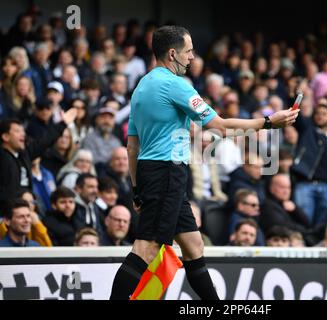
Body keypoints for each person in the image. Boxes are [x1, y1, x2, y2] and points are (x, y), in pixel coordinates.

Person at [110, 26, 298, 301]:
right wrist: (269, 122)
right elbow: (220, 127)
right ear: (172, 53)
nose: (192, 57)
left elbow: (132, 146)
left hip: (155, 173)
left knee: (193, 244)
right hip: (167, 173)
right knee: (146, 248)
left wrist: (137, 188)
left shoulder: (141, 87)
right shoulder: (177, 86)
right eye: (188, 52)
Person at [0, 108, 77, 211]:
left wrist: (62, 124)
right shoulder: (3, 157)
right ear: (5, 136)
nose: (23, 134)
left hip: (25, 211)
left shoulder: (24, 154)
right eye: (17, 131)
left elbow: (44, 142)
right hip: (6, 213)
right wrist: (21, 195)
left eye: (23, 131)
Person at [260, 174, 309, 240]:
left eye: (288, 187)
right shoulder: (267, 205)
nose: (286, 191)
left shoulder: (291, 205)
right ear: (271, 188)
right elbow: (282, 225)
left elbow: (307, 223)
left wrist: (295, 210)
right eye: (282, 187)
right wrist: (305, 230)